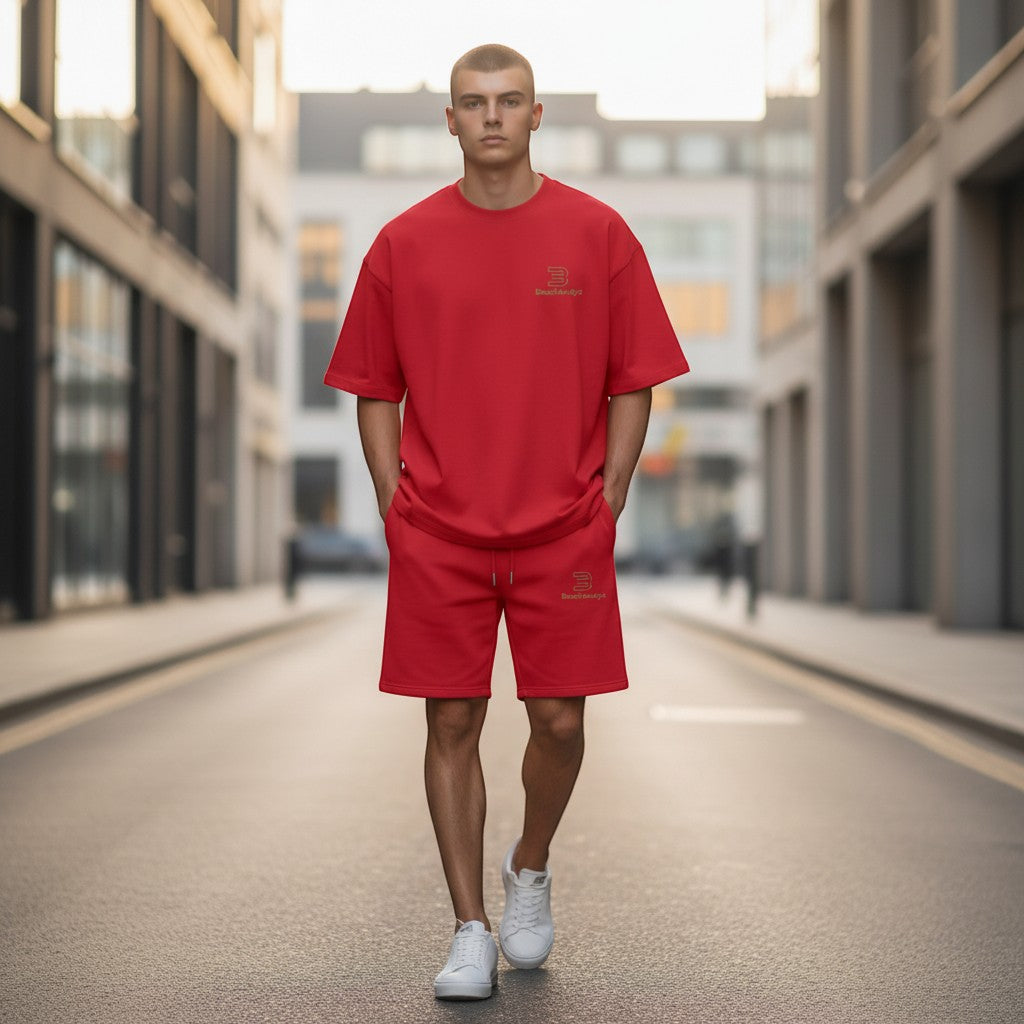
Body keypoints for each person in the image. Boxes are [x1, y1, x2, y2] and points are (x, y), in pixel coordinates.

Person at [324, 43, 689, 1001]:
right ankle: (469, 928)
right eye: (474, 102)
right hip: (439, 532)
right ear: (449, 120)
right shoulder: (402, 244)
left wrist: (611, 494)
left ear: (537, 115)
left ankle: (529, 864)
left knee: (559, 722)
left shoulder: (598, 233)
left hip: (563, 529)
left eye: (509, 100)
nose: (492, 115)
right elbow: (373, 387)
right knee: (451, 719)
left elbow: (634, 377)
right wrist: (392, 502)